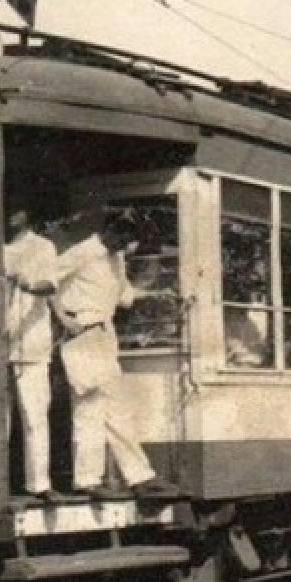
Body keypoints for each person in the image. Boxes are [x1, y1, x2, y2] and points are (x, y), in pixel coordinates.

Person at [52, 211, 182, 501]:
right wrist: (63, 318)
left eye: (128, 240)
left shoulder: (116, 258)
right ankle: (118, 478)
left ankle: (122, 477)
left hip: (103, 335)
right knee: (95, 407)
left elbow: (124, 296)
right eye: (122, 236)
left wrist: (156, 293)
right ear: (109, 229)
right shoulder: (83, 252)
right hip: (82, 334)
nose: (124, 245)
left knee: (104, 407)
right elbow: (46, 283)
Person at [0, 195, 61, 503]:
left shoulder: (43, 246)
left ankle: (39, 484)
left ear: (27, 213)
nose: (9, 216)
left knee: (34, 414)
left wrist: (24, 282)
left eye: (15, 209)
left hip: (32, 342)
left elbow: (50, 285)